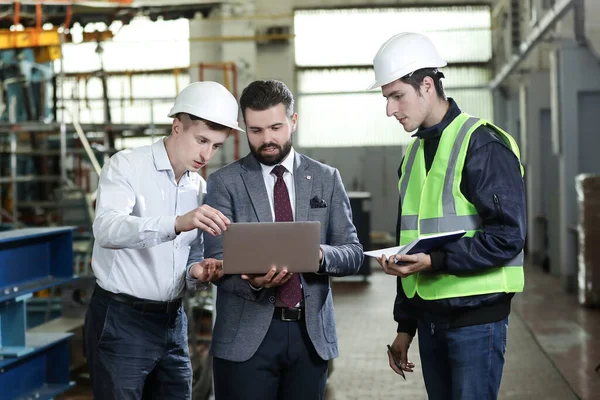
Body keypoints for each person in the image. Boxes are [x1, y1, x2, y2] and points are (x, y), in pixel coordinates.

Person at [368, 32, 526, 399]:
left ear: (426, 85)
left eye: (396, 96)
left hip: (476, 321)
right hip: (431, 322)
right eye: (386, 98)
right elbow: (411, 238)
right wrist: (405, 327)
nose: (390, 109)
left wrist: (434, 260)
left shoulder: (482, 144)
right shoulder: (412, 157)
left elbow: (507, 236)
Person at [203, 79, 364, 400]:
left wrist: (316, 255)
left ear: (293, 120)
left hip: (309, 337)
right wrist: (256, 282)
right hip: (245, 338)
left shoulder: (326, 178)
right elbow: (216, 261)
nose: (267, 140)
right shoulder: (224, 183)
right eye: (255, 131)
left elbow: (353, 253)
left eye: (276, 127)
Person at [84, 81, 244, 399]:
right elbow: (107, 229)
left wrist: (198, 273)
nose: (206, 153)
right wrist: (175, 223)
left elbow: (191, 258)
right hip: (121, 321)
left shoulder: (198, 188)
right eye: (201, 140)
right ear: (176, 126)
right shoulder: (126, 166)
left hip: (173, 320)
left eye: (215, 145)